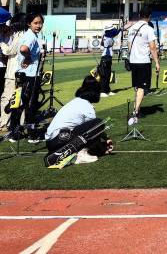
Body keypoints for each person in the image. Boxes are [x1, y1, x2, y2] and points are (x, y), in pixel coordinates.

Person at [45, 75, 113, 164]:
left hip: (51, 142)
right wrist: (104, 143)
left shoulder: (76, 101)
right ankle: (81, 154)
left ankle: (69, 153)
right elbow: (94, 129)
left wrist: (104, 141)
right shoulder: (87, 106)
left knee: (95, 125)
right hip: (60, 139)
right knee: (99, 123)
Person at [9, 12, 47, 143]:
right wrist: (28, 57)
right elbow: (24, 49)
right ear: (29, 24)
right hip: (30, 76)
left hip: (21, 75)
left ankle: (14, 133)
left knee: (18, 104)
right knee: (30, 105)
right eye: (35, 23)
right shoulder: (31, 37)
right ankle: (32, 135)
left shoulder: (28, 35)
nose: (38, 25)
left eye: (40, 23)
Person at [127, 8, 160, 126]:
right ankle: (135, 112)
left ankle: (137, 109)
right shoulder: (148, 29)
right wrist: (157, 62)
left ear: (139, 15)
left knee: (137, 87)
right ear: (149, 16)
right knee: (141, 87)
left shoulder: (132, 28)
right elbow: (153, 47)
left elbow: (129, 45)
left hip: (133, 60)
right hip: (143, 61)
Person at [0, 14, 27, 131]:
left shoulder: (20, 36)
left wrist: (1, 41)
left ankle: (4, 123)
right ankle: (20, 122)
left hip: (13, 73)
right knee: (20, 99)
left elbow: (8, 51)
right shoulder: (25, 34)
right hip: (22, 73)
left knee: (7, 98)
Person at [99, 25, 120, 97]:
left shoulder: (109, 37)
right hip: (105, 58)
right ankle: (102, 91)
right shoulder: (107, 38)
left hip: (108, 58)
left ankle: (107, 90)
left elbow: (116, 32)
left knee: (108, 75)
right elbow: (105, 45)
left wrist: (120, 29)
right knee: (104, 75)